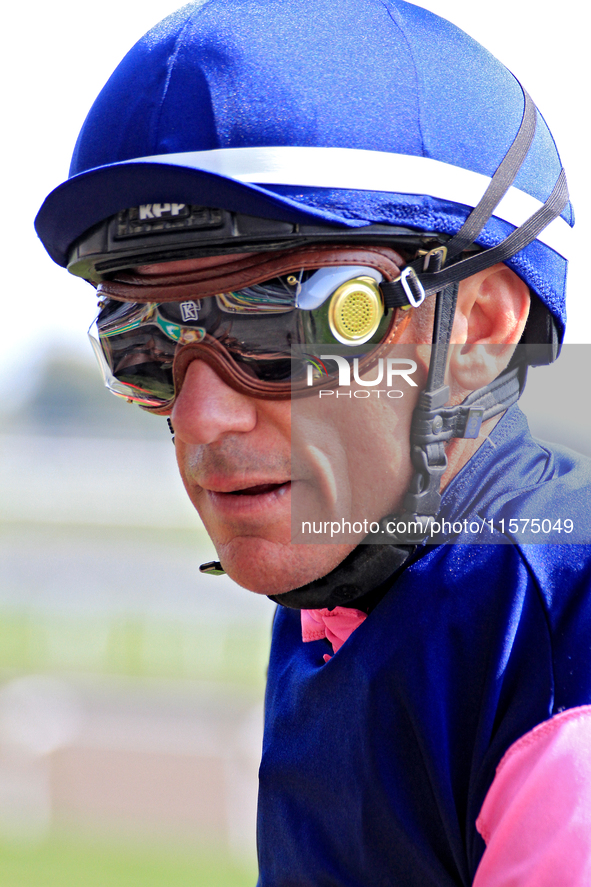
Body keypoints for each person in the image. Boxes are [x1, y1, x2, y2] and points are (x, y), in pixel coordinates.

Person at [35, 0, 591, 883]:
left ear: (478, 326)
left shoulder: (559, 664)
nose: (200, 415)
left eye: (276, 324)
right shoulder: (340, 578)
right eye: (144, 340)